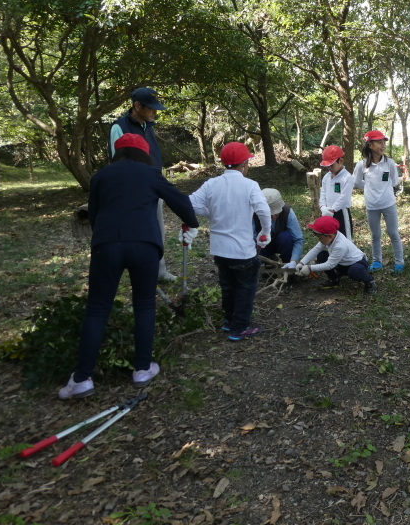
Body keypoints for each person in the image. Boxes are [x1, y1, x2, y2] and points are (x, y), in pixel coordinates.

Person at [58, 134, 199, 400]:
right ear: (144, 153)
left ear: (117, 152)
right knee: (144, 304)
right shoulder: (151, 174)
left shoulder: (101, 176)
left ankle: (81, 379)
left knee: (98, 308)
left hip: (107, 245)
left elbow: (95, 214)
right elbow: (179, 200)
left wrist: (106, 239)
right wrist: (192, 223)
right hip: (145, 247)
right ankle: (143, 369)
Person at [188, 142, 272, 342]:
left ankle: (229, 320)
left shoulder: (211, 184)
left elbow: (191, 203)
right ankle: (240, 327)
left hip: (219, 249)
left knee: (227, 286)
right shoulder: (249, 185)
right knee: (245, 287)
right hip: (242, 250)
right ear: (244, 163)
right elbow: (263, 210)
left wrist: (212, 214)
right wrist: (266, 231)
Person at [108, 87, 176, 282]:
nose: (154, 113)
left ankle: (160, 271)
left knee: (158, 230)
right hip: (132, 190)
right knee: (138, 232)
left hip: (154, 185)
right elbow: (117, 161)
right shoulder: (119, 127)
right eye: (151, 109)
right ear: (137, 106)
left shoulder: (148, 125)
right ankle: (141, 272)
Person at [353, 130, 405, 274]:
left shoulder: (389, 163)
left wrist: (381, 189)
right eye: (379, 142)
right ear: (370, 145)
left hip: (389, 204)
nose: (383, 145)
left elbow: (394, 181)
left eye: (384, 142)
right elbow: (356, 182)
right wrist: (369, 188)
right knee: (375, 235)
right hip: (372, 206)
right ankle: (377, 261)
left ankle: (399, 263)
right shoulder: (362, 165)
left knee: (393, 233)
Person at [295, 216, 377, 294]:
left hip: (357, 263)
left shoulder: (340, 245)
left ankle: (369, 281)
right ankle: (334, 279)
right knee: (321, 255)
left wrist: (309, 268)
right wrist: (302, 263)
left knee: (355, 271)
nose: (319, 240)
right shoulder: (329, 237)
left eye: (320, 238)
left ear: (330, 236)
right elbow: (315, 249)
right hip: (342, 263)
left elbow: (330, 265)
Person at [255, 188, 305, 269]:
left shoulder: (287, 212)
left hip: (281, 242)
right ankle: (267, 261)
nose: (273, 216)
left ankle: (287, 264)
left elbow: (298, 239)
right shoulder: (253, 215)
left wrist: (294, 261)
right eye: (270, 214)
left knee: (286, 237)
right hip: (262, 246)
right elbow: (249, 239)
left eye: (276, 213)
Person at [319, 145, 355, 239]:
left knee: (344, 238)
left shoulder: (347, 177)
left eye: (332, 165)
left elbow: (344, 197)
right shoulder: (326, 177)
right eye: (327, 166)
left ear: (341, 161)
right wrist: (323, 207)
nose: (329, 168)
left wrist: (333, 209)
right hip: (327, 212)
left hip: (341, 213)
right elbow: (323, 193)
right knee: (329, 238)